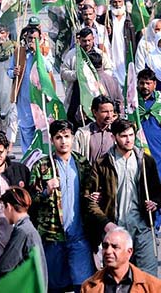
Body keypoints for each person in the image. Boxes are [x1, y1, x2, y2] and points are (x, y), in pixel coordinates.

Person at [84, 118, 161, 276]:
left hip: (143, 228)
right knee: (117, 278)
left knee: (148, 277)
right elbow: (89, 200)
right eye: (124, 136)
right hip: (116, 229)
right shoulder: (102, 164)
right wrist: (106, 224)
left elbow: (157, 192)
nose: (129, 139)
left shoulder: (146, 161)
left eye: (132, 135)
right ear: (114, 137)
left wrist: (155, 204)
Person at [29, 120, 95, 293]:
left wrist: (95, 196)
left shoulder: (82, 163)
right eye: (58, 137)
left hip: (79, 236)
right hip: (52, 236)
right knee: (55, 285)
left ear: (73, 138)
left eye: (67, 136)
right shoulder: (42, 166)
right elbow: (30, 201)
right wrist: (45, 191)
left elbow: (91, 192)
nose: (63, 141)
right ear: (51, 140)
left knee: (83, 284)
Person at [10, 26, 53, 152]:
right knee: (26, 130)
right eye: (29, 38)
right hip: (24, 99)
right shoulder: (19, 53)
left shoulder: (45, 51)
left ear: (39, 39)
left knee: (41, 130)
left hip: (40, 99)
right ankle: (27, 161)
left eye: (35, 39)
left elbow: (49, 68)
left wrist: (38, 53)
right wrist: (14, 72)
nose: (31, 41)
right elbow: (8, 71)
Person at [0, 187, 47, 287]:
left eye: (3, 208)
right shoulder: (30, 229)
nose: (3, 213)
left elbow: (3, 266)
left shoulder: (22, 231)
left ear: (9, 207)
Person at [80, 227, 161, 292]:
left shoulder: (153, 287)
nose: (108, 251)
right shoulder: (88, 287)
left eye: (115, 247)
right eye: (105, 246)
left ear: (129, 252)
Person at [101, 0, 137, 87]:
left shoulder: (131, 18)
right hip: (112, 53)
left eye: (120, 1)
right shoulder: (105, 19)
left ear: (123, 2)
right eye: (115, 2)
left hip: (126, 53)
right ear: (111, 3)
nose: (117, 4)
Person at [73, 95, 117, 164]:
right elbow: (75, 158)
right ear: (95, 112)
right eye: (105, 112)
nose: (109, 115)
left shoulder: (117, 132)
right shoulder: (82, 134)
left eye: (111, 111)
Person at [136, 68, 161, 181]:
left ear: (154, 84)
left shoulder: (159, 102)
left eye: (148, 83)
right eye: (142, 83)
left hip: (157, 150)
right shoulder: (132, 101)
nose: (145, 86)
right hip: (137, 150)